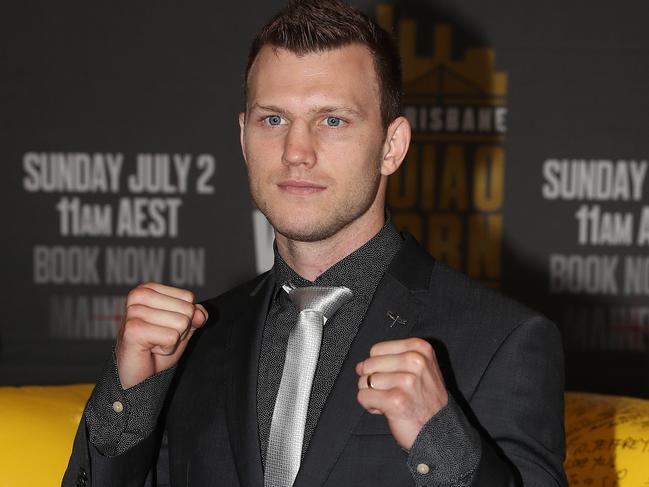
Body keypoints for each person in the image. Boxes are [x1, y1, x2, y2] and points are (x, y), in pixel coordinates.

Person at [63, 1, 568, 486]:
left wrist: (444, 447)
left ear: (391, 147)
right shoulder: (193, 344)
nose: (296, 152)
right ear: (244, 139)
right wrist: (128, 398)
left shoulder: (502, 340)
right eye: (273, 119)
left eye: (333, 120)